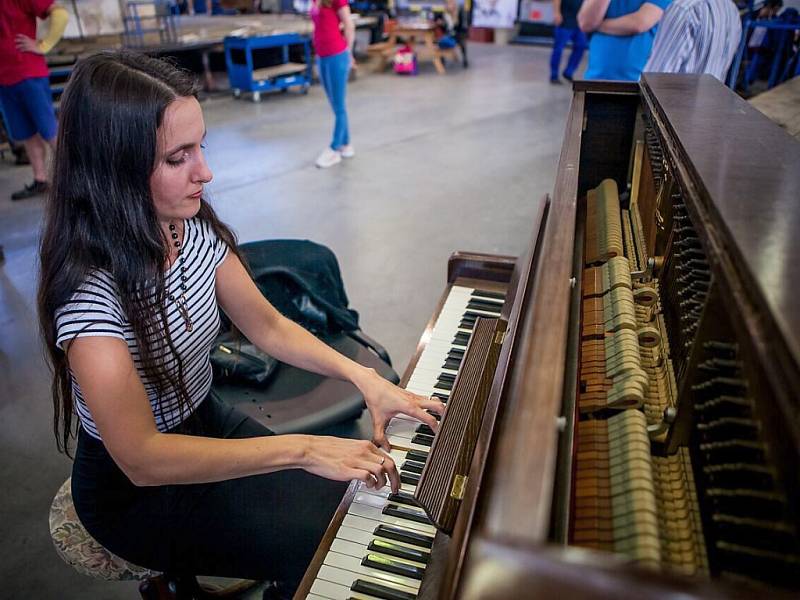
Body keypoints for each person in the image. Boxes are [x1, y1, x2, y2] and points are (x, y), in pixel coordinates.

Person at [38, 51, 443, 592]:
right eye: (178, 157)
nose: (205, 172)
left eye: (200, 146)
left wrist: (366, 379)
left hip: (206, 417)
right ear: (115, 167)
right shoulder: (91, 298)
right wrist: (304, 446)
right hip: (134, 490)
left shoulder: (190, 229)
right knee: (317, 541)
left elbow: (269, 328)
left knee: (348, 513)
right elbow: (142, 458)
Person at [0, 0, 68, 201]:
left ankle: (79, 177)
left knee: (49, 130)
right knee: (26, 133)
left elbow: (60, 14)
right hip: (5, 80)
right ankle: (41, 179)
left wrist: (43, 44)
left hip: (29, 74)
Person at [643, 0, 741, 81]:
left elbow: (654, 81)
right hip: (714, 102)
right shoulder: (732, 10)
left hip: (675, 103)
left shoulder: (684, 9)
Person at [311, 0, 356, 168]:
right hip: (321, 56)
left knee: (338, 106)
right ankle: (346, 144)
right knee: (335, 104)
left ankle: (334, 149)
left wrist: (348, 52)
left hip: (337, 55)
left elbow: (349, 25)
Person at [578, 0, 669, 81]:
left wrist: (597, 26)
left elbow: (639, 23)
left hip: (636, 79)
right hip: (596, 76)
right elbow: (585, 22)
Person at [550, 0, 588, 83]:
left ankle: (569, 72)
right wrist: (556, 13)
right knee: (558, 49)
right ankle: (554, 75)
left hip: (578, 21)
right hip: (565, 20)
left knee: (581, 45)